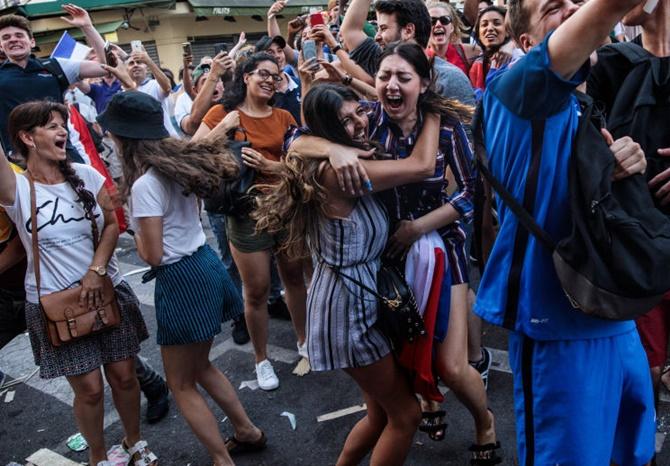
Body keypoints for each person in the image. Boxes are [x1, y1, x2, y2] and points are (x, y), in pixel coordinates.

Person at [291, 42, 499, 463]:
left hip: (442, 248)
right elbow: (296, 141)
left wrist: (418, 228)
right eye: (384, 76)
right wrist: (332, 148)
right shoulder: (366, 123)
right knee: (403, 361)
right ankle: (427, 403)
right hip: (384, 263)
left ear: (422, 84)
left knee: (453, 367)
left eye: (404, 77)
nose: (391, 85)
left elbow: (471, 194)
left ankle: (485, 421)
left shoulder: (444, 127)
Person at [475, 0, 654, 463]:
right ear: (530, 44)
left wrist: (615, 165)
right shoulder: (516, 87)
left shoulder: (581, 106)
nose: (575, 8)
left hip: (613, 316)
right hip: (555, 325)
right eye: (555, 7)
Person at [257, 83, 442, 466]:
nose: (361, 122)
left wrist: (334, 142)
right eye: (346, 120)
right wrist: (435, 108)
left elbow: (298, 142)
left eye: (359, 110)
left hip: (350, 297)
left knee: (379, 416)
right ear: (327, 129)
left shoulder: (338, 154)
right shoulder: (336, 173)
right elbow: (422, 166)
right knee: (405, 416)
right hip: (347, 311)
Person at [97, 91, 265, 465]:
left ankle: (223, 460)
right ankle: (246, 430)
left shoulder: (144, 186)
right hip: (204, 262)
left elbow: (152, 255)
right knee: (201, 366)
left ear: (124, 138)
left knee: (181, 382)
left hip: (181, 277)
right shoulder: (179, 166)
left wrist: (132, 229)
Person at [0, 100, 156, 466]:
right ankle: (98, 456)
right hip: (55, 306)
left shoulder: (87, 175)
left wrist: (96, 269)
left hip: (106, 292)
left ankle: (135, 442)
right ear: (27, 137)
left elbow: (113, 224)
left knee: (125, 377)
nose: (63, 132)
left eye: (63, 125)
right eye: (52, 126)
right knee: (89, 390)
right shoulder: (16, 191)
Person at [193, 53, 307, 390]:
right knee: (256, 290)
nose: (270, 80)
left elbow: (303, 166)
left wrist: (274, 168)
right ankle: (261, 359)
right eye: (263, 74)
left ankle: (303, 340)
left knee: (294, 279)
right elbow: (191, 154)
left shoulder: (285, 115)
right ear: (245, 76)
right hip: (246, 212)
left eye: (276, 76)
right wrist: (224, 129)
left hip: (286, 206)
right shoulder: (221, 113)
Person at [587, 0, 670, 409]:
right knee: (642, 374)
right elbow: (581, 141)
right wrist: (610, 160)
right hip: (635, 247)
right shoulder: (611, 66)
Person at [0, 9, 109, 159]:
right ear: (1, 46)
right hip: (21, 159)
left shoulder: (55, 66)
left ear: (32, 42)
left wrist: (87, 26)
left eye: (19, 35)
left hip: (63, 152)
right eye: (6, 37)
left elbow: (106, 66)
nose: (13, 39)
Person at [340, 0, 475, 106]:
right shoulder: (383, 63)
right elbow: (350, 31)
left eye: (383, 28)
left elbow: (466, 137)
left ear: (408, 31)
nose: (377, 36)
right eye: (384, 77)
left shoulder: (449, 80)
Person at [125, 47, 179, 137]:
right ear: (126, 70)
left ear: (146, 68)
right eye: (131, 63)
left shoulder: (154, 84)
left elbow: (167, 88)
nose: (135, 65)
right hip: (145, 145)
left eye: (139, 62)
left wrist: (149, 61)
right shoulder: (124, 93)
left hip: (167, 140)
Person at [427, 2, 480, 76]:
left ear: (452, 27)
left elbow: (493, 56)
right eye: (432, 21)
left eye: (444, 20)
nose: (438, 24)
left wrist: (501, 49)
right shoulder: (419, 58)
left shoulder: (468, 52)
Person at [469, 6, 512, 97]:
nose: (490, 28)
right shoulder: (476, 65)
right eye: (484, 25)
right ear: (478, 33)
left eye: (497, 23)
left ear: (508, 30)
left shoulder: (518, 59)